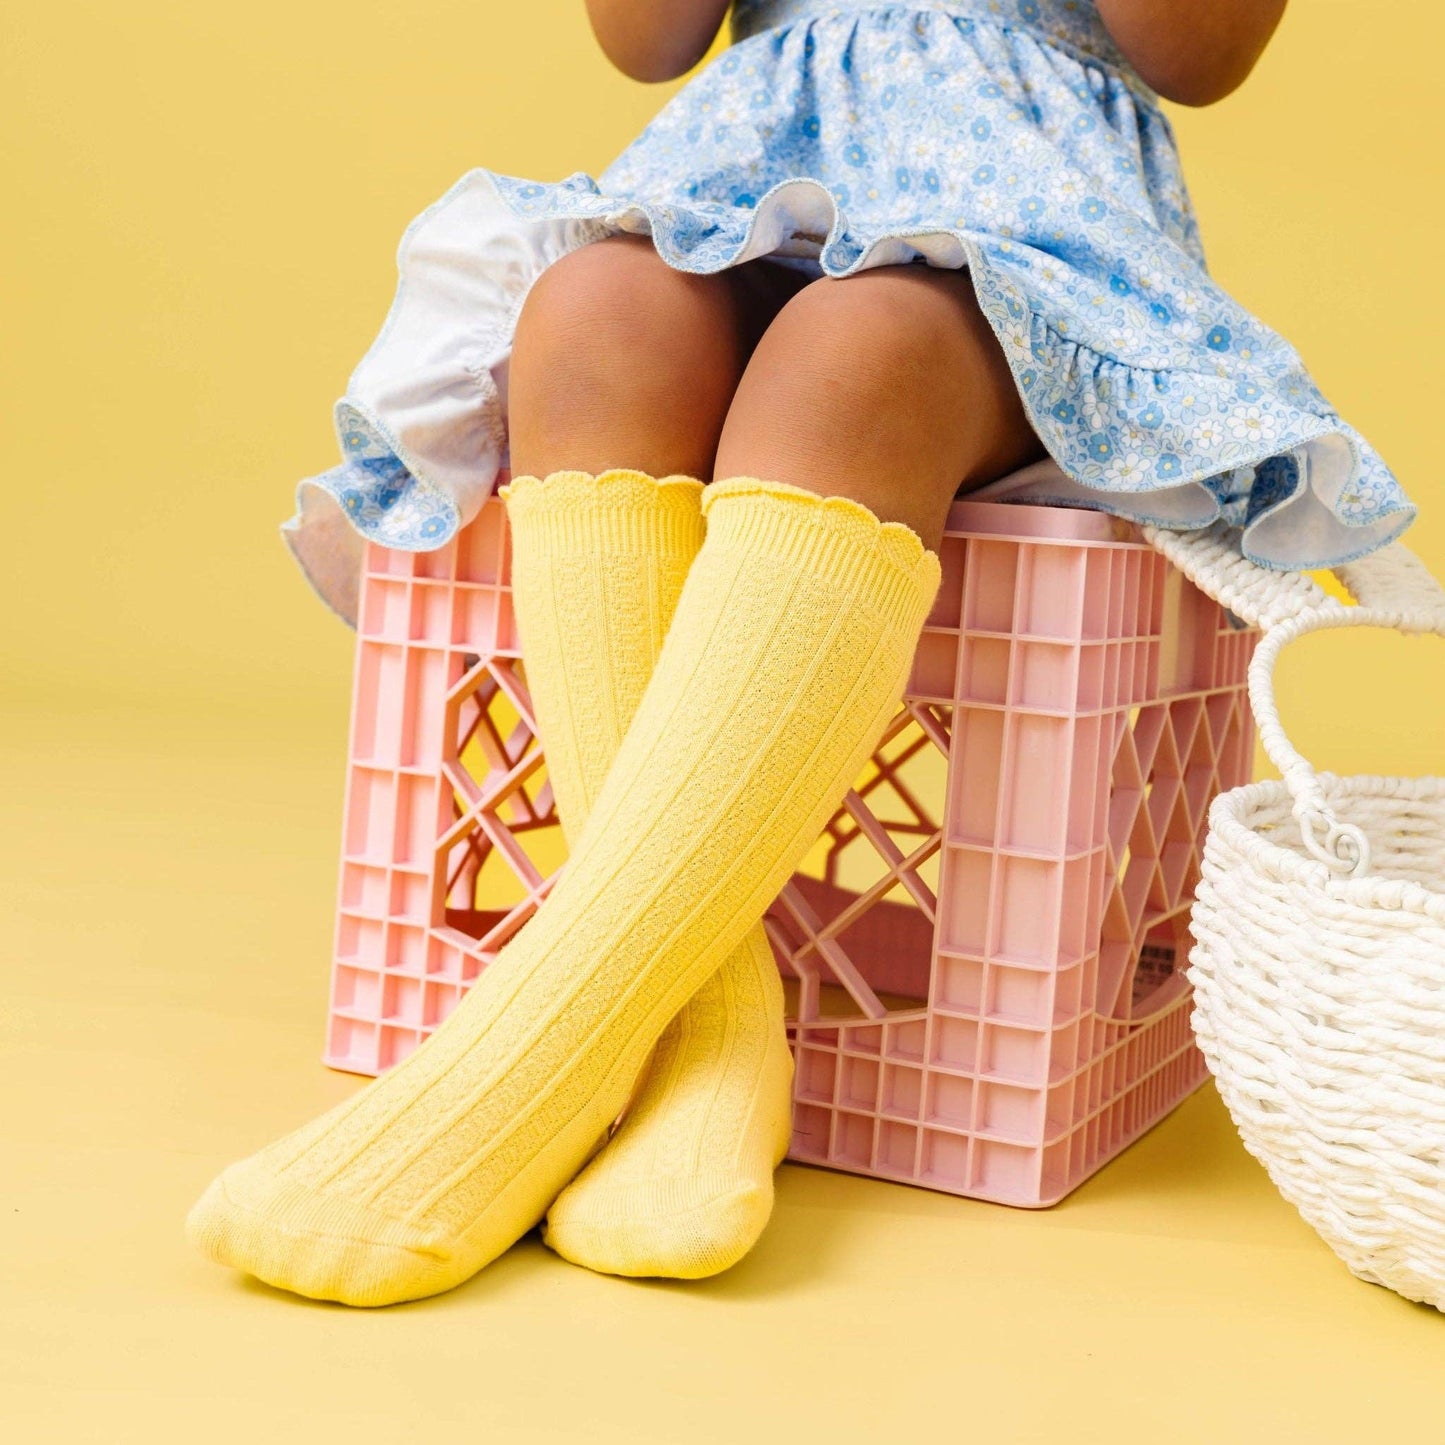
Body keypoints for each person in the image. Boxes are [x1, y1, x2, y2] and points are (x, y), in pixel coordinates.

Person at [189, 0, 1415, 1306]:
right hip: (742, 166)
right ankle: (712, 1040)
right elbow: (643, 38)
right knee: (591, 314)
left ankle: (521, 1062)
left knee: (853, 357)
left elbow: (1196, 53)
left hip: (1020, 230)